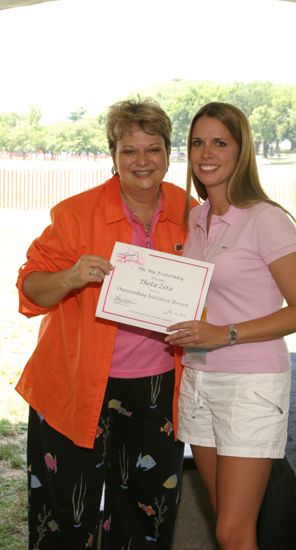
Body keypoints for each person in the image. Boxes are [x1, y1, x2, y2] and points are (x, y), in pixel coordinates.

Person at [16, 97, 197, 550]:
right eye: (128, 150)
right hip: (74, 386)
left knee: (145, 512)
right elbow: (31, 289)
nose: (141, 161)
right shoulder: (76, 214)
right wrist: (71, 276)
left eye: (152, 149)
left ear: (168, 153)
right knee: (66, 514)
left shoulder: (194, 213)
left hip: (156, 387)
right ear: (112, 156)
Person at [165, 102, 296, 550]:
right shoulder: (195, 218)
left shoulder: (265, 218)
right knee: (226, 525)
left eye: (219, 142)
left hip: (251, 384)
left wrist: (225, 334)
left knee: (234, 532)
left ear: (241, 150)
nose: (206, 152)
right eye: (197, 142)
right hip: (199, 379)